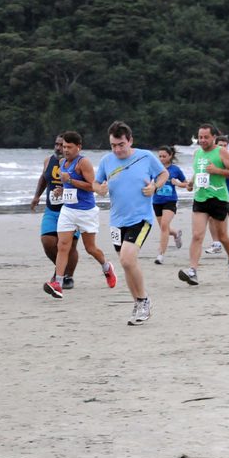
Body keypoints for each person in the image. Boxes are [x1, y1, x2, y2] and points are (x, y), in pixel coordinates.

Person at [92, 122, 168, 324]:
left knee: (127, 259)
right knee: (126, 264)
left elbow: (163, 174)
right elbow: (95, 182)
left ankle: (143, 300)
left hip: (141, 218)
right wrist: (99, 189)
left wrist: (155, 186)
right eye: (113, 145)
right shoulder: (107, 161)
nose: (117, 149)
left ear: (130, 141)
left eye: (121, 144)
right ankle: (138, 303)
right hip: (117, 220)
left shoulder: (145, 156)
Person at [43, 130, 117, 298]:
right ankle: (58, 283)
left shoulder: (83, 163)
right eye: (63, 146)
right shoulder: (62, 163)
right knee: (63, 246)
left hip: (86, 212)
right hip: (68, 210)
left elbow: (93, 186)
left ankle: (107, 267)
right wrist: (61, 190)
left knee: (90, 248)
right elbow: (70, 187)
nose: (65, 150)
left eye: (69, 147)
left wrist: (70, 180)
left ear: (78, 147)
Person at [178, 124, 229, 285]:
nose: (202, 140)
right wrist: (191, 183)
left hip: (219, 197)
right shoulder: (197, 153)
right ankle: (192, 271)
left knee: (222, 236)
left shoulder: (221, 152)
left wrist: (217, 171)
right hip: (200, 197)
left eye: (206, 137)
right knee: (197, 235)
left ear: (214, 137)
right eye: (200, 137)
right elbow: (198, 172)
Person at [31, 135, 79, 287]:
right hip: (52, 209)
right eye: (57, 145)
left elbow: (87, 184)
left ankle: (68, 277)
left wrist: (67, 188)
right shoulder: (48, 161)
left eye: (63, 145)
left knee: (69, 246)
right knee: (47, 241)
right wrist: (37, 196)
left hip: (72, 209)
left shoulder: (78, 163)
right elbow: (44, 178)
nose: (59, 148)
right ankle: (61, 268)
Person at [151, 145, 185, 264]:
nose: (161, 158)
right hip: (156, 201)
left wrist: (177, 184)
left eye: (164, 156)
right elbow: (147, 181)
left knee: (164, 225)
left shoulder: (175, 170)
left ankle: (160, 254)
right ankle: (176, 233)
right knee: (164, 228)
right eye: (159, 156)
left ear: (170, 156)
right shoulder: (155, 169)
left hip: (170, 201)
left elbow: (186, 184)